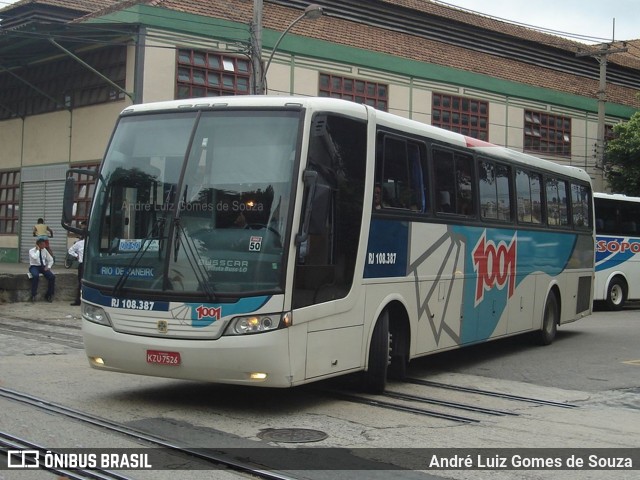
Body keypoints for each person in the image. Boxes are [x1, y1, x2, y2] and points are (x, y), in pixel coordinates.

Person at [28, 238, 55, 302]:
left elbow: (51, 260)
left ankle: (49, 295)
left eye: (45, 244)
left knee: (52, 277)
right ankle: (33, 294)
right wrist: (38, 250)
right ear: (38, 245)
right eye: (43, 244)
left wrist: (48, 267)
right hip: (34, 266)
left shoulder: (44, 250)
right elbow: (35, 257)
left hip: (42, 267)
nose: (44, 246)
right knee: (35, 276)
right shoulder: (31, 251)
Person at [67, 233, 85, 306]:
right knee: (81, 283)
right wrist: (76, 255)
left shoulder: (93, 243)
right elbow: (70, 250)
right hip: (82, 264)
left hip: (90, 264)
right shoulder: (79, 244)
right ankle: (78, 300)